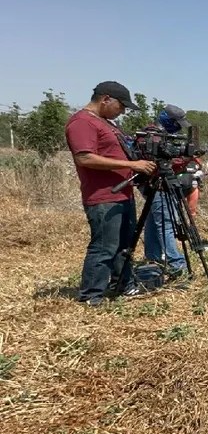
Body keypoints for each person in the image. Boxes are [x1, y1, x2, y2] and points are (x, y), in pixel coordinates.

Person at [65, 81, 156, 306]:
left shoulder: (105, 123)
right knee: (104, 246)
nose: (122, 111)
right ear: (106, 99)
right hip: (103, 196)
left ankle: (123, 284)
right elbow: (84, 157)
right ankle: (91, 295)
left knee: (125, 245)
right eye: (121, 106)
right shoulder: (82, 122)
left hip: (122, 194)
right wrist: (133, 166)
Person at [141, 105, 192, 277]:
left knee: (153, 222)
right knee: (166, 223)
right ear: (167, 120)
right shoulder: (152, 136)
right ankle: (176, 262)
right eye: (177, 123)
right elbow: (157, 164)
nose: (179, 127)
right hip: (157, 185)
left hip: (160, 185)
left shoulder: (163, 136)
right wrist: (182, 160)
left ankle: (153, 256)